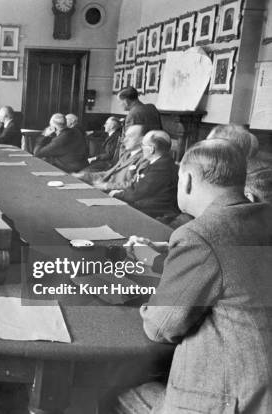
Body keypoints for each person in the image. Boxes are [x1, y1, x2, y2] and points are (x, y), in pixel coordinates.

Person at [119, 139, 272, 413]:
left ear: (187, 180)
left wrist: (149, 301)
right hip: (261, 390)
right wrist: (168, 255)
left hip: (232, 399)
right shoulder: (263, 218)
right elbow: (232, 265)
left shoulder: (198, 235)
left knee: (113, 388)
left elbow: (160, 327)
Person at [110, 130, 179, 218]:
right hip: (147, 206)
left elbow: (137, 194)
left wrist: (115, 194)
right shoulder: (161, 162)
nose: (141, 148)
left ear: (151, 149)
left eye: (143, 145)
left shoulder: (161, 168)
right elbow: (138, 187)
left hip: (154, 213)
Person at [76, 124, 148, 191]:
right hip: (107, 188)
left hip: (118, 194)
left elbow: (135, 185)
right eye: (125, 136)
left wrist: (106, 186)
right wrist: (84, 175)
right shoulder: (127, 155)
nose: (124, 140)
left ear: (142, 140)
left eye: (130, 136)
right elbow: (108, 174)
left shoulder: (145, 159)